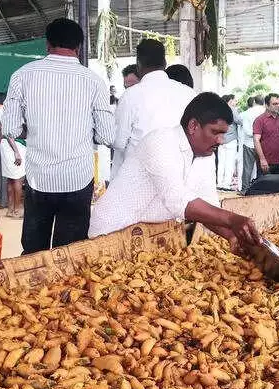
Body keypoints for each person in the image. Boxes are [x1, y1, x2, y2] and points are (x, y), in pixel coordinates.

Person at [89, 92, 261, 255]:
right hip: (111, 233)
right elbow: (177, 200)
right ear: (193, 126)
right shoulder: (160, 141)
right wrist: (232, 220)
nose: (221, 140)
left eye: (223, 133)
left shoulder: (206, 155)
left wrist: (231, 236)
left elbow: (206, 207)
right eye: (215, 132)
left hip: (148, 240)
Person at [2, 17, 114, 254]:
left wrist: (33, 129)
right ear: (79, 47)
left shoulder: (22, 75)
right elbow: (106, 135)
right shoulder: (94, 81)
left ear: (47, 44)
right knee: (70, 255)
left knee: (34, 253)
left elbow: (10, 129)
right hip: (77, 179)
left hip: (38, 179)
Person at [112, 39, 196, 180]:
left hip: (138, 179)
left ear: (139, 64)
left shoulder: (130, 95)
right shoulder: (189, 93)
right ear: (164, 63)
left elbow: (119, 142)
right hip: (178, 178)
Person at [0, 119, 26, 218]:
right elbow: (9, 133)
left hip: (6, 145)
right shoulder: (18, 112)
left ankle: (10, 209)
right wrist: (16, 151)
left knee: (10, 179)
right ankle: (16, 210)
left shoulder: (5, 112)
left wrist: (2, 143)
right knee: (18, 179)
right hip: (16, 145)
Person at [253, 93, 279, 176]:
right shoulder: (260, 120)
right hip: (266, 163)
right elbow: (256, 140)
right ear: (267, 105)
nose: (278, 106)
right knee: (265, 188)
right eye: (275, 104)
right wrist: (262, 159)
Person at [216, 94, 242, 190]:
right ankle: (226, 184)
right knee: (229, 162)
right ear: (230, 101)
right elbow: (239, 121)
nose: (236, 102)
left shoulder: (218, 110)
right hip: (230, 139)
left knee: (221, 162)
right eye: (235, 100)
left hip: (220, 139)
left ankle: (219, 183)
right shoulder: (231, 110)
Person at [240, 95, 264, 193]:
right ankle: (260, 189)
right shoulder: (265, 112)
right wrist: (259, 135)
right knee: (261, 168)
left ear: (254, 101)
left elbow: (246, 130)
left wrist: (254, 134)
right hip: (262, 145)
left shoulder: (247, 113)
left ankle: (245, 189)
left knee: (247, 168)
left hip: (249, 143)